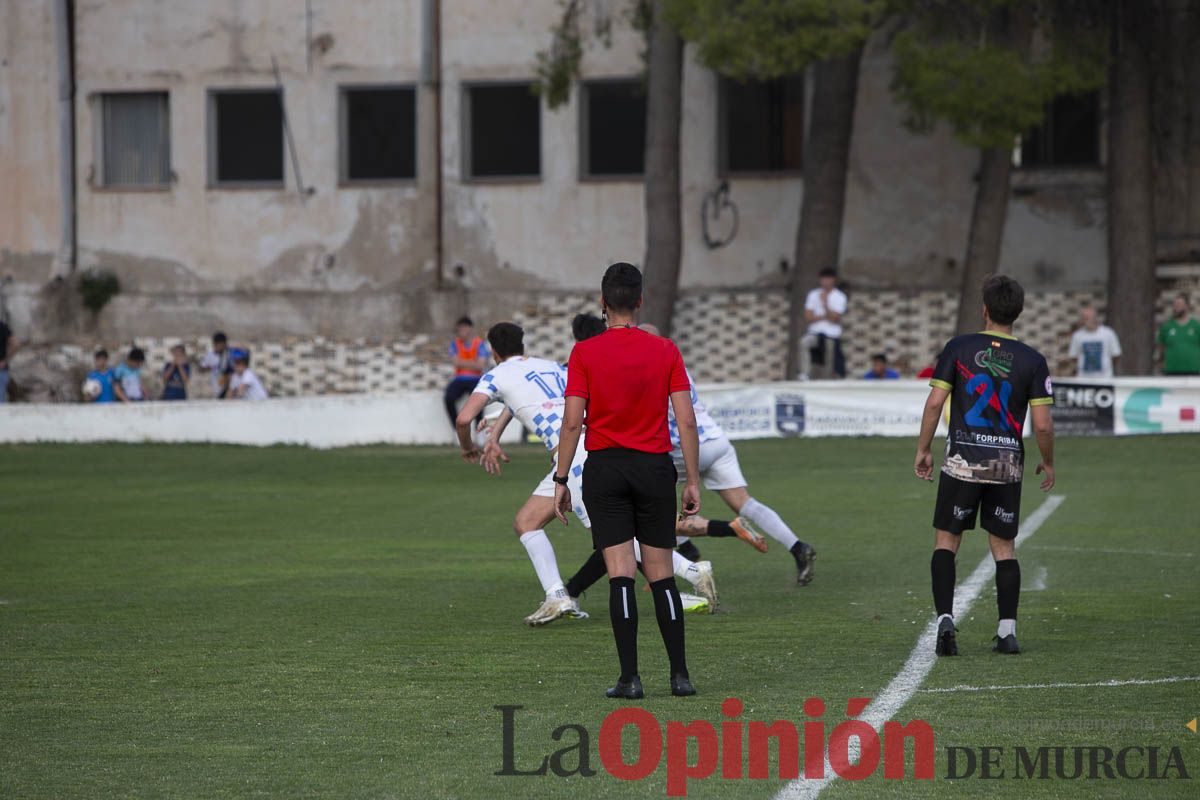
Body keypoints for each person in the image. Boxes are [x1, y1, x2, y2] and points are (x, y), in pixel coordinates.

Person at [556, 262, 702, 699]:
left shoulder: (585, 353)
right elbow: (687, 421)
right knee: (661, 576)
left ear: (603, 303)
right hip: (654, 468)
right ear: (640, 301)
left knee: (620, 574)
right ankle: (680, 676)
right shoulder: (666, 350)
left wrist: (561, 478)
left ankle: (630, 679)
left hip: (606, 469)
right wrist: (691, 479)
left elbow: (571, 424)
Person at [914, 275, 1055, 657]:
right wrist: (1048, 461)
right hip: (1006, 466)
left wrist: (923, 448)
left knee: (947, 540)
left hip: (962, 461)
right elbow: (1042, 424)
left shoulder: (959, 348)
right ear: (1019, 313)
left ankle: (945, 621)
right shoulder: (1032, 360)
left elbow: (932, 404)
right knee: (1004, 547)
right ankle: (1007, 631)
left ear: (985, 309)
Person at [640, 322, 817, 584]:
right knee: (745, 502)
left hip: (686, 447)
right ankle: (798, 547)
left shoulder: (647, 371)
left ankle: (688, 551)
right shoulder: (676, 363)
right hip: (717, 441)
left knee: (649, 498)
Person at [800, 267, 848, 379]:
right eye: (823, 279)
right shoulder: (813, 294)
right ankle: (804, 373)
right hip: (815, 332)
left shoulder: (839, 297)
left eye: (828, 279)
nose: (825, 282)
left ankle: (828, 378)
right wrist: (825, 316)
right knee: (803, 343)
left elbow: (835, 318)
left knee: (830, 357)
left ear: (833, 280)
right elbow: (808, 316)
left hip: (831, 334)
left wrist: (825, 304)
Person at [444, 317, 490, 426]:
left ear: (470, 329)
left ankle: (479, 429)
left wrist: (463, 362)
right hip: (459, 379)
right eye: (459, 329)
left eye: (463, 329)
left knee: (478, 401)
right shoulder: (455, 344)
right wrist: (473, 362)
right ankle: (457, 428)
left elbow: (481, 365)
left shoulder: (479, 344)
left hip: (476, 379)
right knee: (448, 398)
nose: (461, 332)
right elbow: (456, 363)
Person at [1068, 306, 1122, 378]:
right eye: (1085, 318)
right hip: (1083, 379)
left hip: (1104, 379)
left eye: (1091, 317)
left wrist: (1105, 365)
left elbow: (1116, 355)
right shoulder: (1077, 336)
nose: (1089, 320)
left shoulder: (1108, 333)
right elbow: (1074, 357)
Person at [1157, 294, 1200, 376]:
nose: (1176, 307)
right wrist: (1161, 362)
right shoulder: (1167, 327)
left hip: (1193, 370)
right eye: (1174, 305)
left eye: (1179, 305)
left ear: (1187, 306)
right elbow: (1161, 346)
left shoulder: (1196, 326)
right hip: (1171, 370)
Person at [199, 332, 234, 399]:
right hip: (215, 387)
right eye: (219, 345)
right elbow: (201, 368)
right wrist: (208, 368)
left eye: (222, 344)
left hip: (227, 387)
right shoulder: (210, 355)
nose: (221, 347)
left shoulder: (229, 354)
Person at [0, 318, 18, 403]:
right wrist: (5, 360)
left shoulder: (2, 326)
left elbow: (15, 343)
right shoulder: (2, 326)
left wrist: (5, 361)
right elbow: (15, 343)